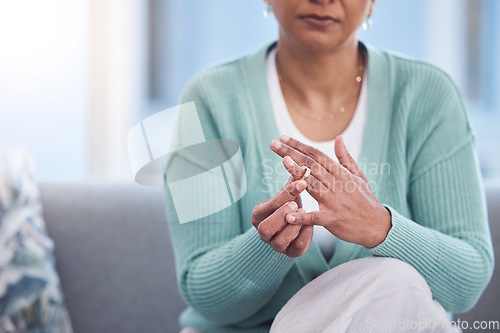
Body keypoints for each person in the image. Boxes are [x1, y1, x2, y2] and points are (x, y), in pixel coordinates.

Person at [164, 0, 494, 332]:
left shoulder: (428, 95)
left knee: (394, 282)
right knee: (394, 279)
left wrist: (381, 228)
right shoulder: (208, 98)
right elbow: (202, 292)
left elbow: (467, 282)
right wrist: (266, 247)